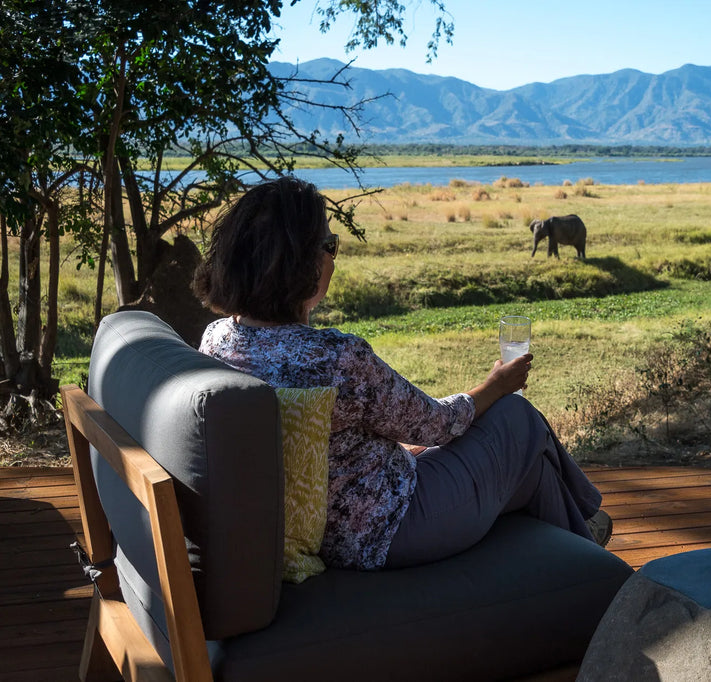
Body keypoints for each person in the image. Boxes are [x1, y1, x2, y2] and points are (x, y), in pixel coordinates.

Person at [192, 176, 612, 571]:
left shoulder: (217, 339)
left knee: (535, 471)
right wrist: (496, 385)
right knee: (518, 419)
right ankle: (589, 523)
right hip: (386, 528)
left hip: (321, 526)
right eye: (329, 245)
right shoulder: (338, 356)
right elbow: (436, 425)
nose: (332, 259)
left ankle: (583, 549)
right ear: (301, 264)